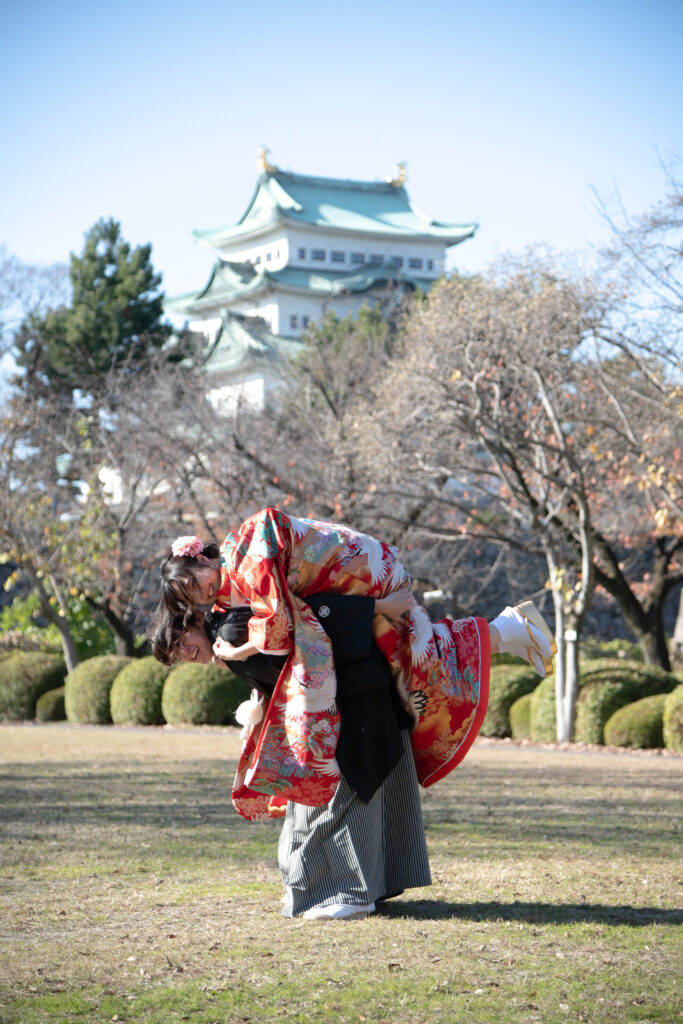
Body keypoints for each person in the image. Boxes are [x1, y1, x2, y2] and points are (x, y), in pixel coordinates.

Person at [156, 509, 555, 823]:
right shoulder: (236, 583)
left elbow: (283, 628)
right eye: (192, 598)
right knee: (411, 656)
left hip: (362, 571)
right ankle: (507, 629)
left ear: (199, 558)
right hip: (359, 574)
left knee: (417, 658)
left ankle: (508, 629)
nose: (201, 595)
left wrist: (237, 653)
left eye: (195, 583)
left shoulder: (248, 563)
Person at [149, 590, 431, 919]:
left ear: (196, 620)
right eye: (176, 655)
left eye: (182, 642)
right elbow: (282, 671)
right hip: (339, 704)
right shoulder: (228, 635)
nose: (185, 653)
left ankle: (351, 895)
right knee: (322, 804)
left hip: (346, 703)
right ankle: (344, 890)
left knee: (334, 803)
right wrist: (261, 705)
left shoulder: (232, 632)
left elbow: (301, 650)